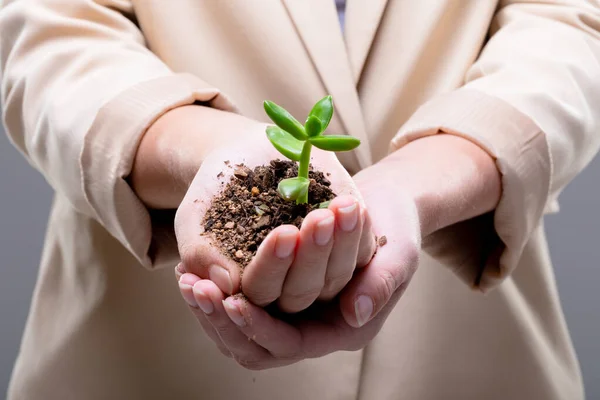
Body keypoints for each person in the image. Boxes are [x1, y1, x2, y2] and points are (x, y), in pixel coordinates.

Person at [1, 0, 598, 399]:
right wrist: (203, 149)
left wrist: (425, 178)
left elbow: (570, 27)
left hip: (465, 357)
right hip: (145, 366)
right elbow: (51, 36)